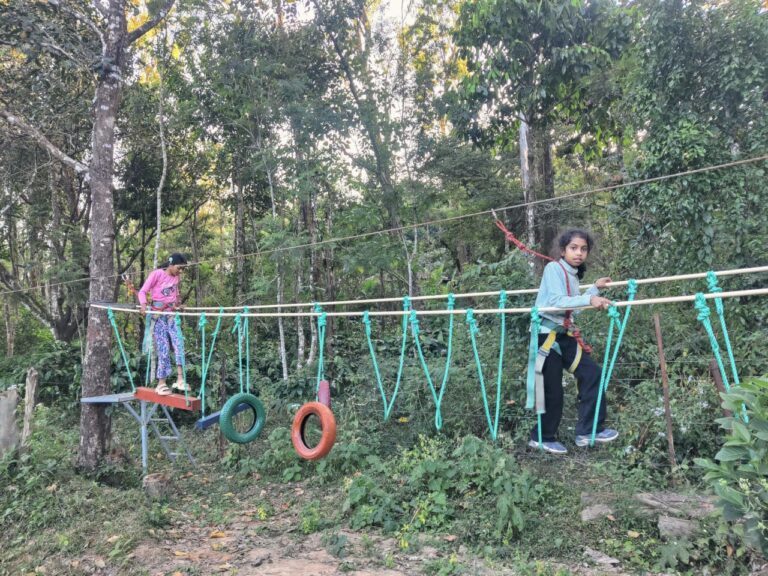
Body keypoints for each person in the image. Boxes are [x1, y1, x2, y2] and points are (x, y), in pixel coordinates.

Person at [527, 229, 617, 454]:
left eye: (583, 249)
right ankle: (542, 437)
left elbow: (572, 303)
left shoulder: (573, 275)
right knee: (552, 389)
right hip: (546, 336)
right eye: (574, 248)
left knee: (592, 373)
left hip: (563, 335)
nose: (579, 253)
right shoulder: (553, 269)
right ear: (563, 250)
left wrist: (594, 289)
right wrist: (590, 298)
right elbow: (558, 301)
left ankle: (588, 430)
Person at [138, 253, 189, 396]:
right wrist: (143, 305)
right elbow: (142, 292)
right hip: (158, 315)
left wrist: (179, 304)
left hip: (172, 315)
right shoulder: (157, 274)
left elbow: (175, 295)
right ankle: (161, 383)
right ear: (171, 264)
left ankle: (180, 379)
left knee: (179, 343)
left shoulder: (176, 277)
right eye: (179, 268)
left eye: (183, 269)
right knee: (163, 348)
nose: (181, 271)